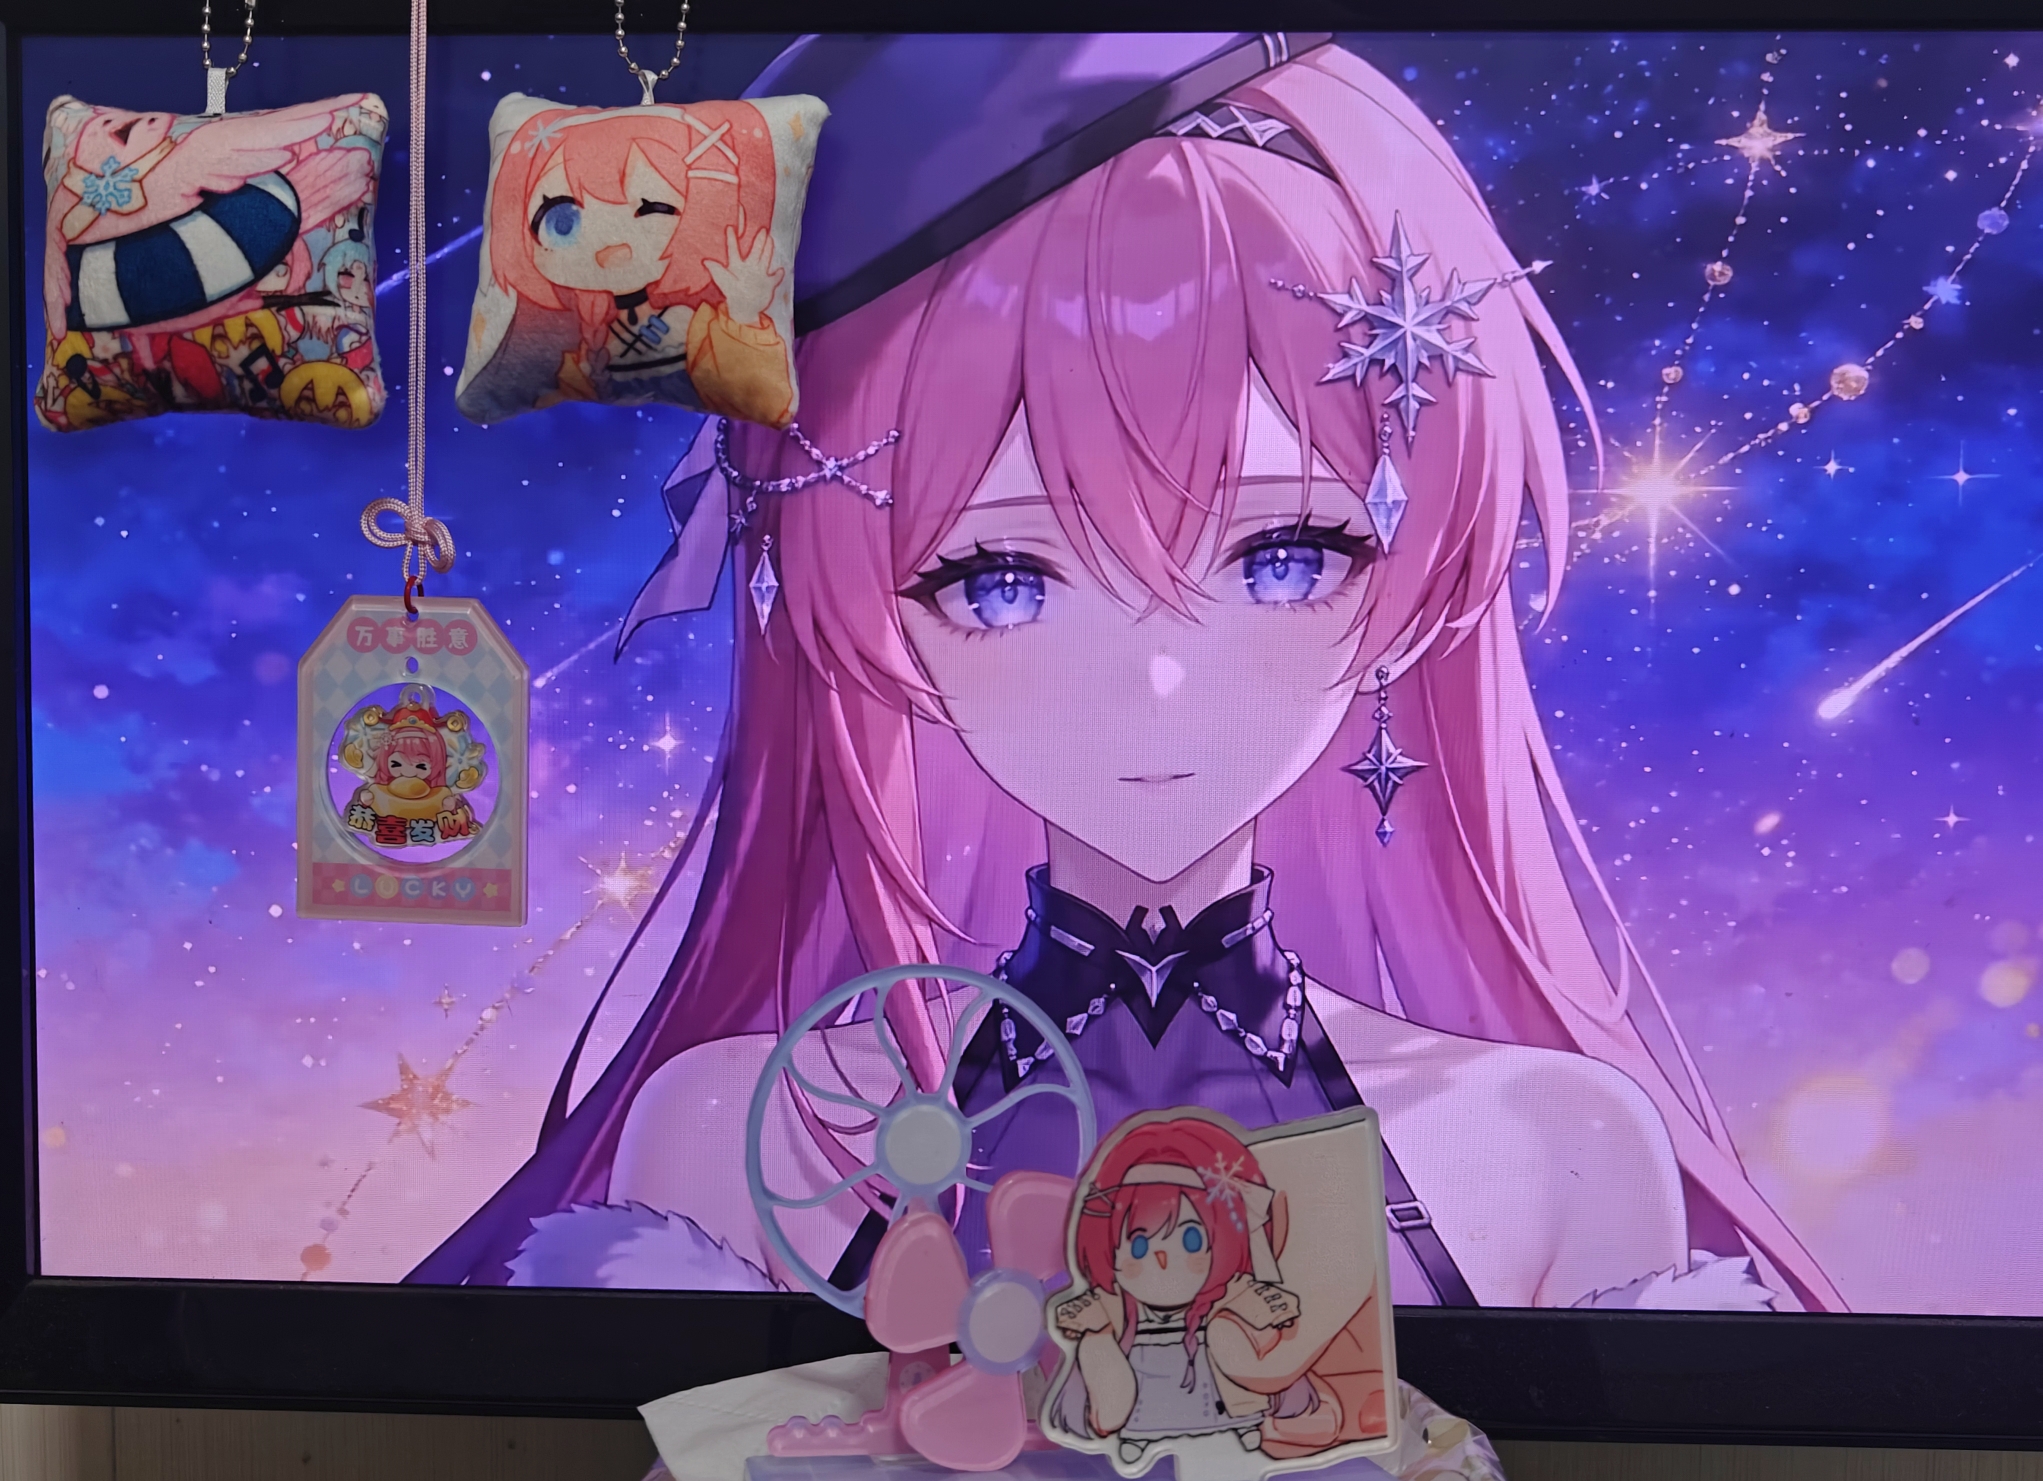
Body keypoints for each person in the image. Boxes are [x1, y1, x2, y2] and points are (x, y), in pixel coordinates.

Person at [411, 34, 1843, 1314]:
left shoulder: (1550, 1140)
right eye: (1002, 579)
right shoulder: (738, 1132)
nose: (1157, 686)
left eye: (1284, 556)